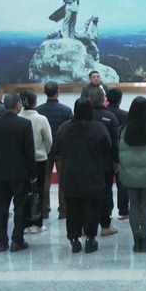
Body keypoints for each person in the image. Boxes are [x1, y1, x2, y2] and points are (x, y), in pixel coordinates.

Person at [57, 98, 112, 254]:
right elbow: (107, 149)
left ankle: (74, 240)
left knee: (72, 208)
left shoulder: (65, 128)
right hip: (93, 175)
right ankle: (90, 239)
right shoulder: (99, 128)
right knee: (92, 208)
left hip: (70, 175)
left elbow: (59, 147)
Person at [0, 93, 36, 252]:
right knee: (20, 207)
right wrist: (33, 173)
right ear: (18, 105)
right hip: (20, 173)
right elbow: (29, 152)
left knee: (1, 207)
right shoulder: (24, 124)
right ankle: (17, 240)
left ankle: (1, 241)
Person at [118, 96, 146, 253]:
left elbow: (119, 150)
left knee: (134, 206)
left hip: (129, 173)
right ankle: (145, 239)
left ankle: (136, 240)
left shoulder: (123, 129)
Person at [36, 81, 73, 220]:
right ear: (58, 92)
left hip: (44, 150)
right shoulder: (66, 110)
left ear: (45, 92)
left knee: (44, 181)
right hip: (62, 150)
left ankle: (44, 210)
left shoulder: (39, 110)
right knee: (63, 181)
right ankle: (64, 211)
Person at [19, 90, 53, 234]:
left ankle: (25, 223)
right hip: (39, 159)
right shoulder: (41, 119)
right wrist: (44, 151)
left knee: (23, 191)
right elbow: (48, 141)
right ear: (35, 102)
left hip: (21, 160)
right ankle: (37, 223)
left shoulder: (18, 118)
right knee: (38, 191)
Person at [89, 87, 120, 237]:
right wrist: (116, 160)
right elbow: (115, 141)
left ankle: (86, 226)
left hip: (86, 161)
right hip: (106, 163)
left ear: (89, 100)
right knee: (106, 192)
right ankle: (105, 226)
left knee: (86, 193)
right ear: (104, 100)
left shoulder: (83, 116)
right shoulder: (110, 117)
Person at [107, 87, 129, 220]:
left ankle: (107, 210)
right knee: (122, 184)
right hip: (121, 152)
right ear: (120, 100)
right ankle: (124, 211)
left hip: (104, 154)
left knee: (106, 184)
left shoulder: (101, 114)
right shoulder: (125, 115)